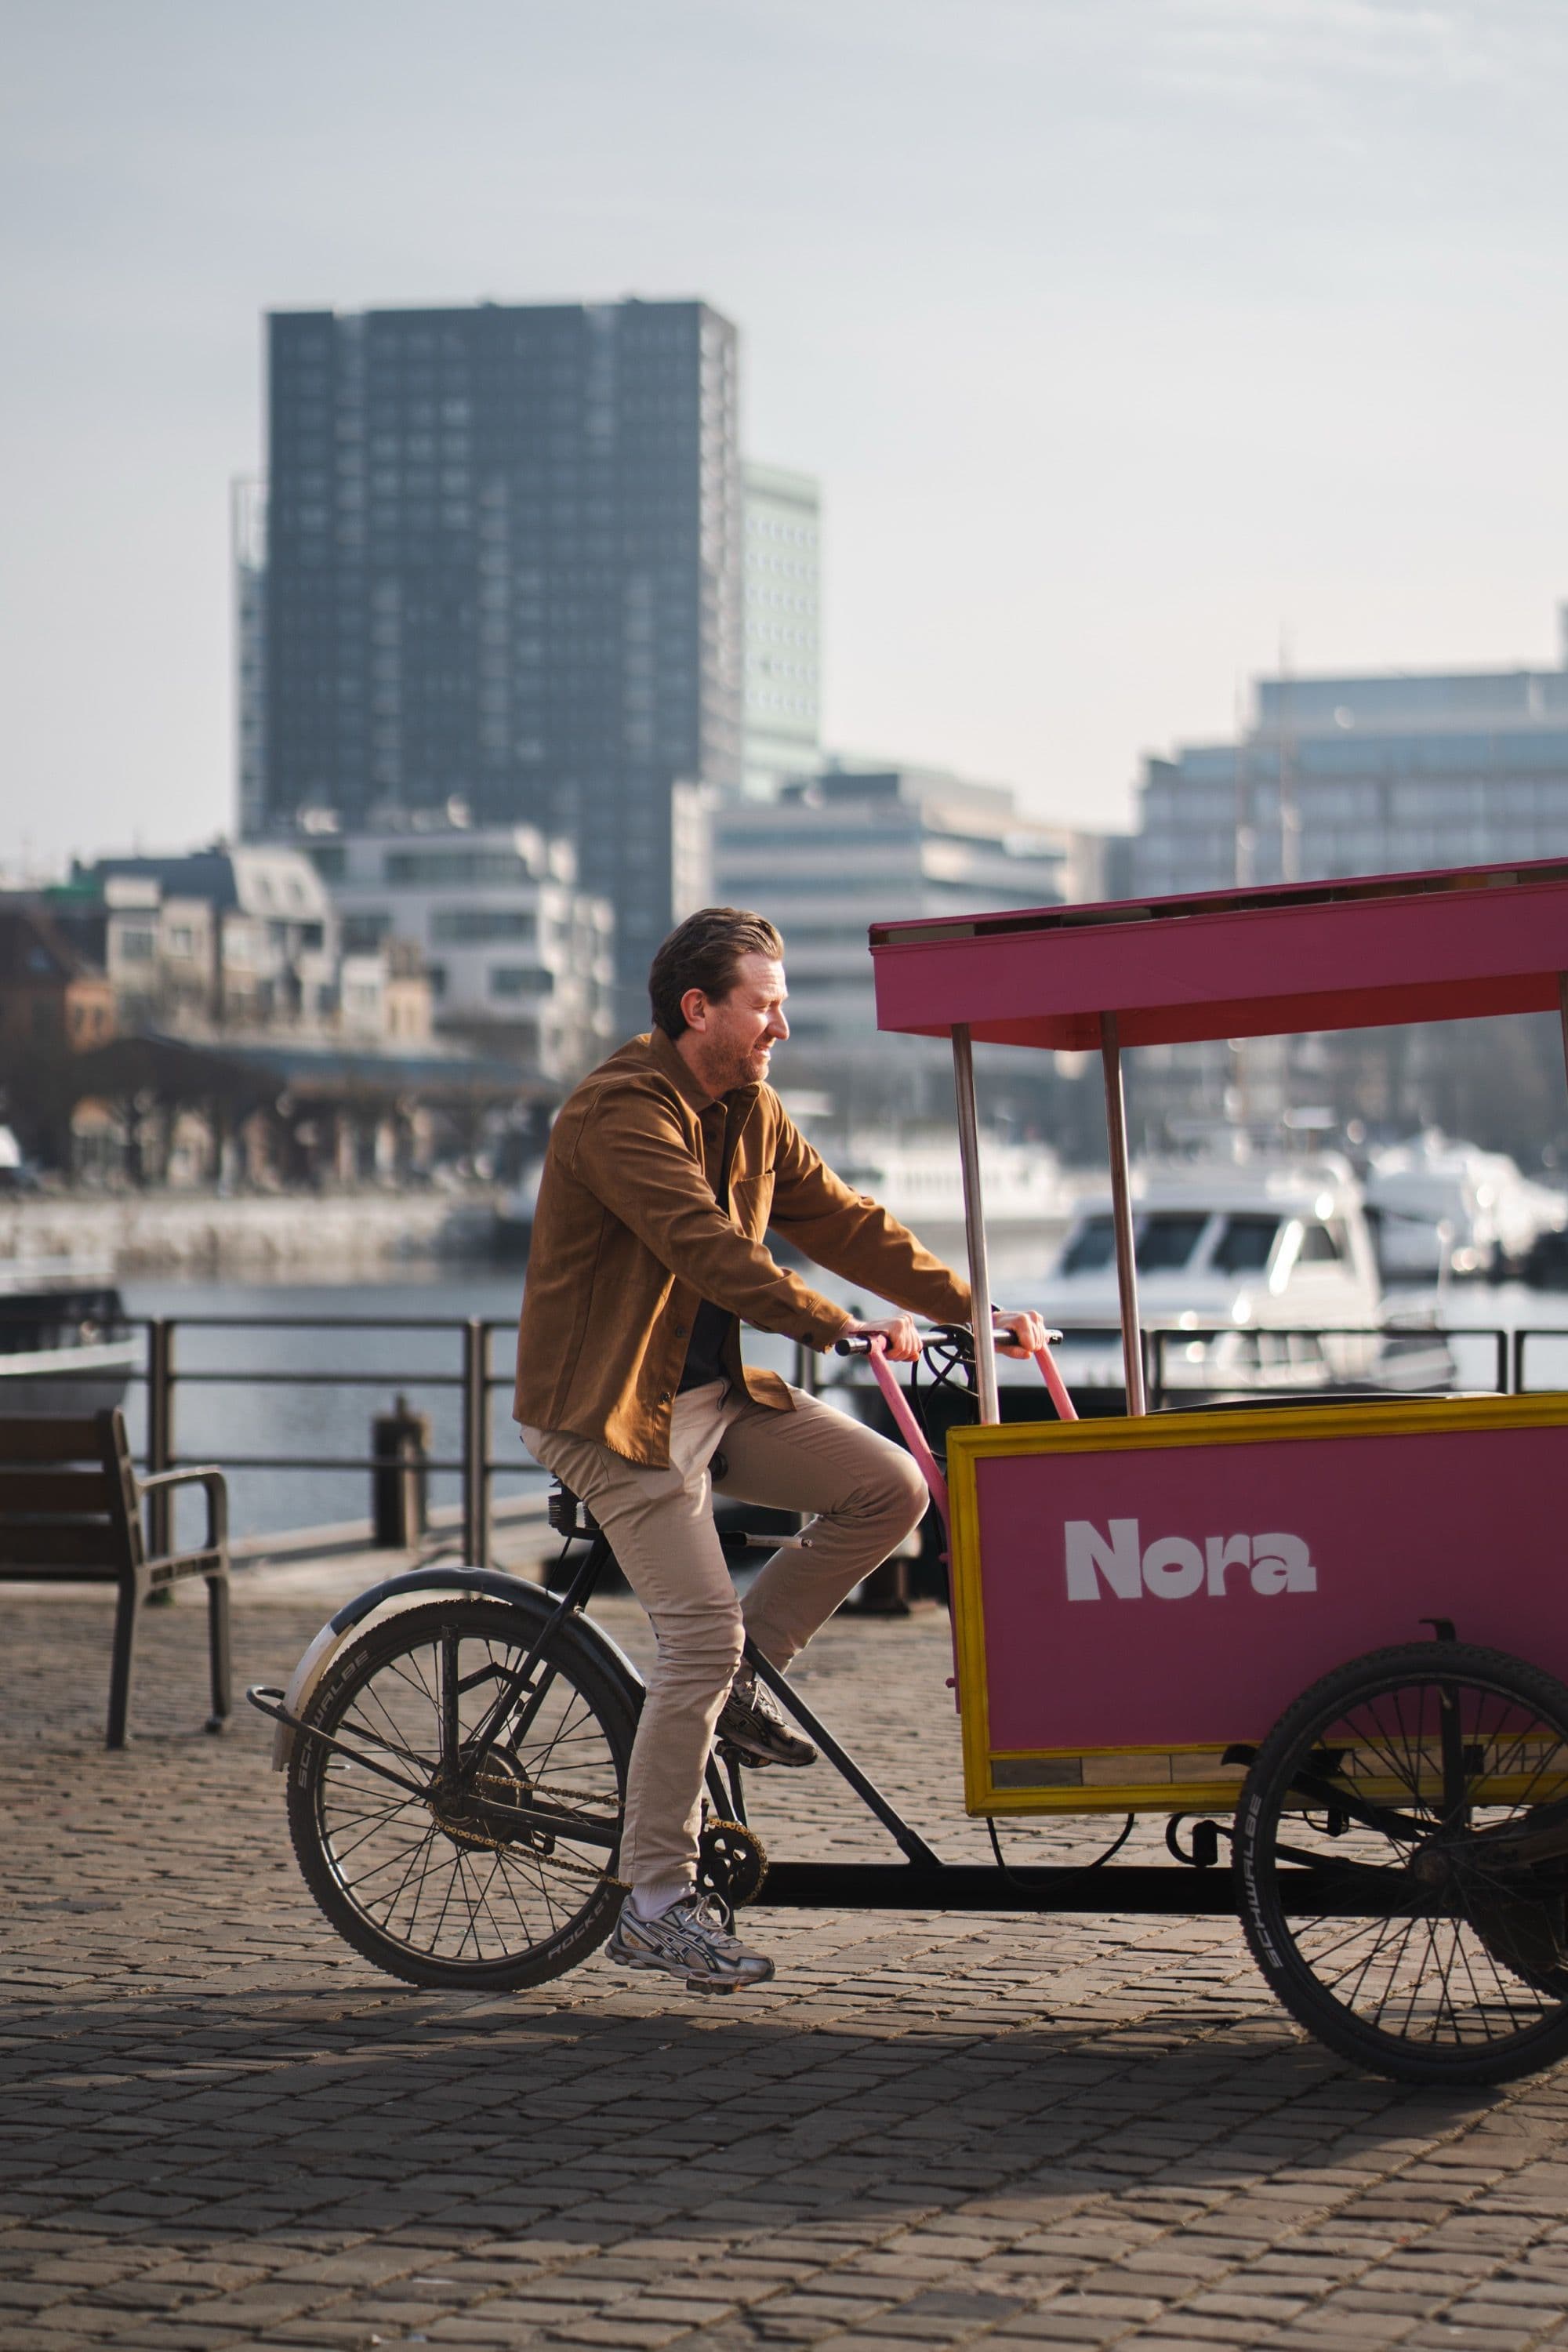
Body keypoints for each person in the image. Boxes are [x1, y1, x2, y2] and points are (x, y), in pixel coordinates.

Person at [514, 906, 1048, 1992]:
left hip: (713, 1394)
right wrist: (830, 1324)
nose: (783, 1028)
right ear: (698, 1008)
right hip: (614, 1414)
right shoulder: (620, 1111)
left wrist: (975, 1308)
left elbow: (849, 1222)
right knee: (697, 1642)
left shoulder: (750, 1109)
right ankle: (654, 1902)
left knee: (889, 1486)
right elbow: (702, 1247)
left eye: (785, 1006)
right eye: (767, 1005)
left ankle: (747, 1681)